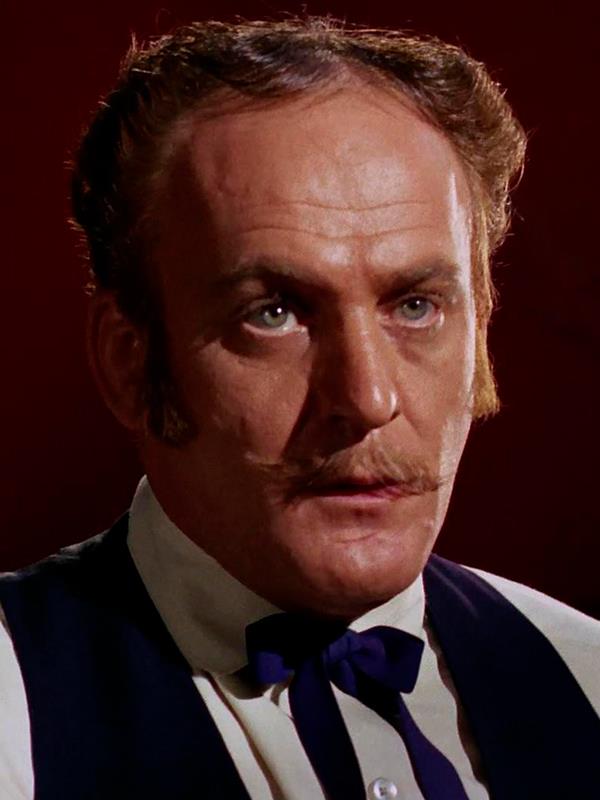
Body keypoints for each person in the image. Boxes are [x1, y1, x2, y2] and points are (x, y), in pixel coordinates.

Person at [1, 16, 599, 800]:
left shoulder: (586, 675)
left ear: (481, 328)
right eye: (275, 312)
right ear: (129, 361)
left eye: (415, 305)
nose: (367, 399)